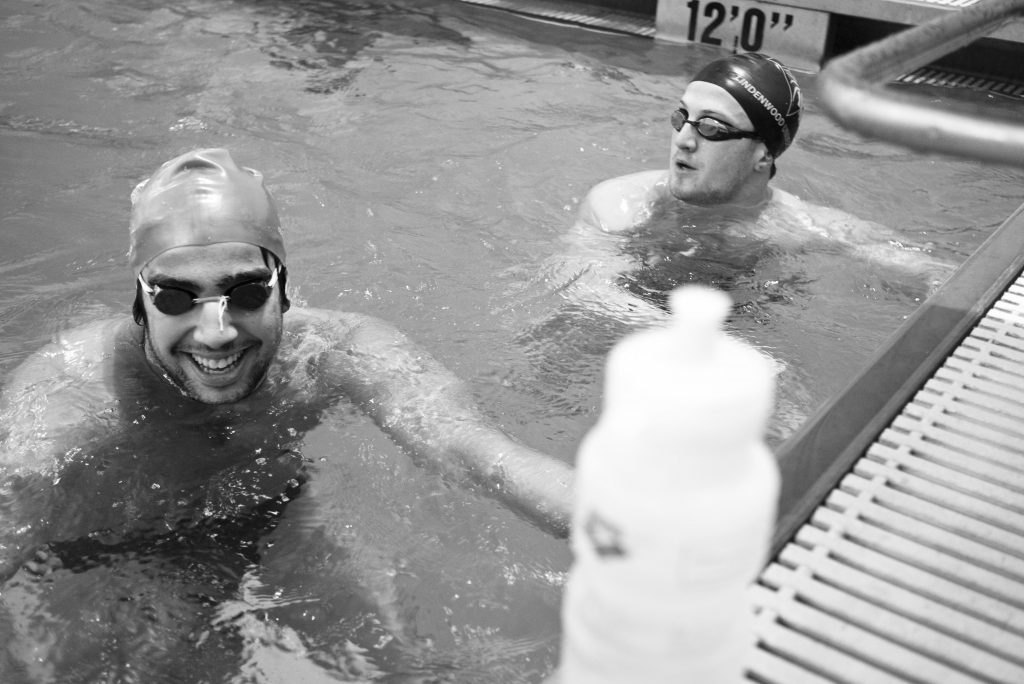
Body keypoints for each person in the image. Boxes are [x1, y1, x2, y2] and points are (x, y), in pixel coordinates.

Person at [0, 148, 573, 678]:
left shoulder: (331, 351)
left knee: (400, 663)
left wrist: (637, 524)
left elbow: (473, 453)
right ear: (140, 303)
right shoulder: (73, 396)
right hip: (109, 552)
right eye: (176, 297)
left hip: (270, 510)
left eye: (246, 292)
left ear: (284, 289)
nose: (217, 332)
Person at [546, 52, 950, 322]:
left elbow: (938, 274)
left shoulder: (800, 225)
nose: (685, 139)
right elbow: (581, 292)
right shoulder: (619, 206)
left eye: (711, 127)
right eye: (682, 117)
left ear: (763, 154)